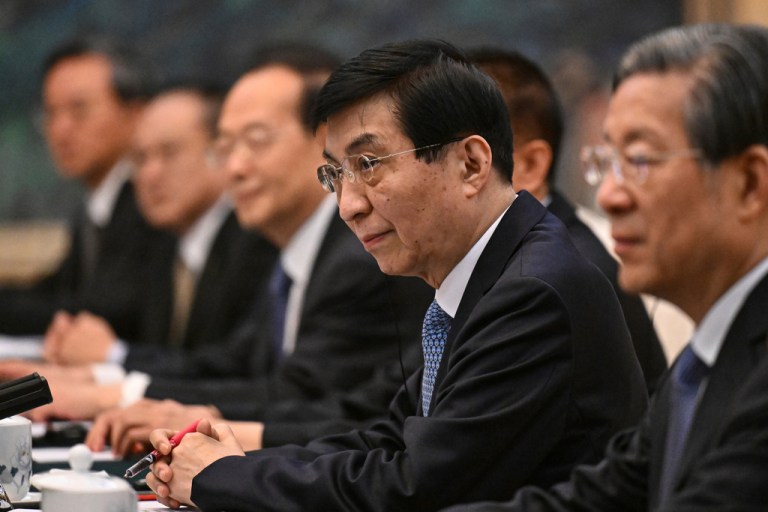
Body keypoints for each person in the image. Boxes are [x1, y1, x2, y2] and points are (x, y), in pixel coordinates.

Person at [145, 39, 647, 511]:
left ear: (471, 164)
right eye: (335, 175)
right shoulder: (482, 272)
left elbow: (415, 489)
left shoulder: (530, 292)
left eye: (369, 164)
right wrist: (237, 467)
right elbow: (385, 439)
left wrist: (225, 479)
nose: (348, 206)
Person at [0, 44, 432, 424]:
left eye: (256, 141)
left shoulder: (360, 255)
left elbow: (303, 398)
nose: (235, 168)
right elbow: (233, 363)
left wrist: (115, 392)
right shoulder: (292, 250)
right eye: (226, 147)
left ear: (324, 143)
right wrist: (103, 377)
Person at [441, 23, 768, 511]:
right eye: (607, 160)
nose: (610, 196)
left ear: (748, 183)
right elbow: (601, 497)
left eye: (639, 159)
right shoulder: (706, 359)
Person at [469, 47, 667, 391]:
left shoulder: (548, 279)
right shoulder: (496, 260)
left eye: (469, 162)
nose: (609, 195)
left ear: (530, 166)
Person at [41, 85, 276, 362]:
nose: (150, 174)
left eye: (169, 153)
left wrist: (114, 354)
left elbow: (230, 368)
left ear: (222, 154)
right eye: (140, 159)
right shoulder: (162, 245)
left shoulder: (257, 241)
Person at [0, 36, 167, 340]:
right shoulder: (94, 207)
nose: (61, 129)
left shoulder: (152, 199)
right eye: (51, 113)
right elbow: (57, 290)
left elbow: (103, 310)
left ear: (135, 113)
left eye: (79, 110)